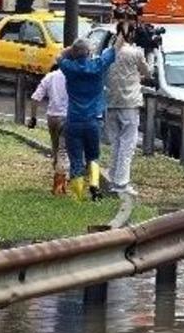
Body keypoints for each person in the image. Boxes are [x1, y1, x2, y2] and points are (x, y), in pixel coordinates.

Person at [59, 37, 120, 202]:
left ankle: (78, 197)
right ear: (89, 52)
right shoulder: (97, 66)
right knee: (93, 156)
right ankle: (94, 185)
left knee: (76, 158)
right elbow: (113, 50)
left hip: (73, 120)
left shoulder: (68, 68)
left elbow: (59, 56)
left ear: (74, 53)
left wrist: (70, 50)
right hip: (93, 120)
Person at [104, 21, 150, 196]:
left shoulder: (108, 52)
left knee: (116, 143)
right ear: (131, 34)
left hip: (112, 101)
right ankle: (122, 183)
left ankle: (112, 178)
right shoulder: (135, 53)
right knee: (128, 144)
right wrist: (149, 53)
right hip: (129, 103)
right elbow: (148, 73)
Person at [29, 67, 70, 195]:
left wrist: (33, 117)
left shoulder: (51, 76)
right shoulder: (74, 76)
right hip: (67, 117)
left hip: (52, 117)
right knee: (63, 151)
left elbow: (36, 97)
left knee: (55, 149)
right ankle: (59, 185)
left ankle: (60, 180)